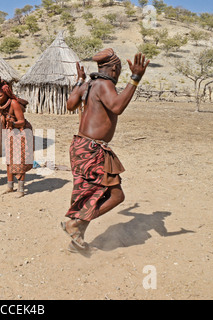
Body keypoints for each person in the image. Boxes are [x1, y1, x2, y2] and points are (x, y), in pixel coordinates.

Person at [62, 48, 150, 253]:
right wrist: (135, 78)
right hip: (93, 149)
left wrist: (79, 80)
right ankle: (75, 224)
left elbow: (69, 104)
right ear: (115, 68)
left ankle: (76, 239)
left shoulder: (88, 84)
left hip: (80, 147)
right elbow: (117, 106)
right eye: (119, 70)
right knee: (116, 196)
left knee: (92, 194)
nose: (119, 75)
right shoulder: (104, 83)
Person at [0, 77, 33, 198]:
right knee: (9, 159)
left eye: (0, 96)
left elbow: (22, 121)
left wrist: (13, 123)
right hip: (9, 132)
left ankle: (21, 188)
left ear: (6, 94)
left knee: (19, 160)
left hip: (21, 132)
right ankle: (10, 186)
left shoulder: (13, 103)